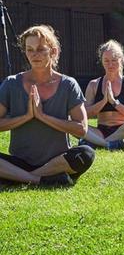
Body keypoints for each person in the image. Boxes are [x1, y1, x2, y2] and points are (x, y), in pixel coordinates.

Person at [0, 25, 95, 187]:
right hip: (19, 161)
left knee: (86, 153)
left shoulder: (68, 85)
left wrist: (43, 116)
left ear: (54, 51)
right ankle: (40, 180)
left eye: (40, 49)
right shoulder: (11, 83)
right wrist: (26, 116)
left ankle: (18, 178)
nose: (34, 55)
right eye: (29, 50)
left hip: (57, 162)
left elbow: (81, 129)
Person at [81, 40, 124, 150]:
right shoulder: (93, 85)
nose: (110, 64)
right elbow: (84, 114)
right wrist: (103, 102)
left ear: (121, 60)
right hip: (101, 131)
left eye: (114, 60)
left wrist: (114, 102)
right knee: (72, 122)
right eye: (106, 61)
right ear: (101, 61)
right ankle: (110, 144)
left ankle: (98, 143)